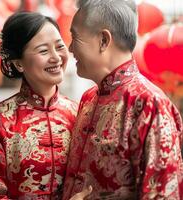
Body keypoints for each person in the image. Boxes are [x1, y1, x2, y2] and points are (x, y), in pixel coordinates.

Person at [62, 0, 183, 199]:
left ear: (103, 40)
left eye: (75, 37)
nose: (70, 48)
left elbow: (162, 194)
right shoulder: (89, 99)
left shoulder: (149, 104)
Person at [0, 12, 78, 199]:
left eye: (59, 46)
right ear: (18, 63)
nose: (56, 57)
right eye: (43, 51)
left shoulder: (80, 113)